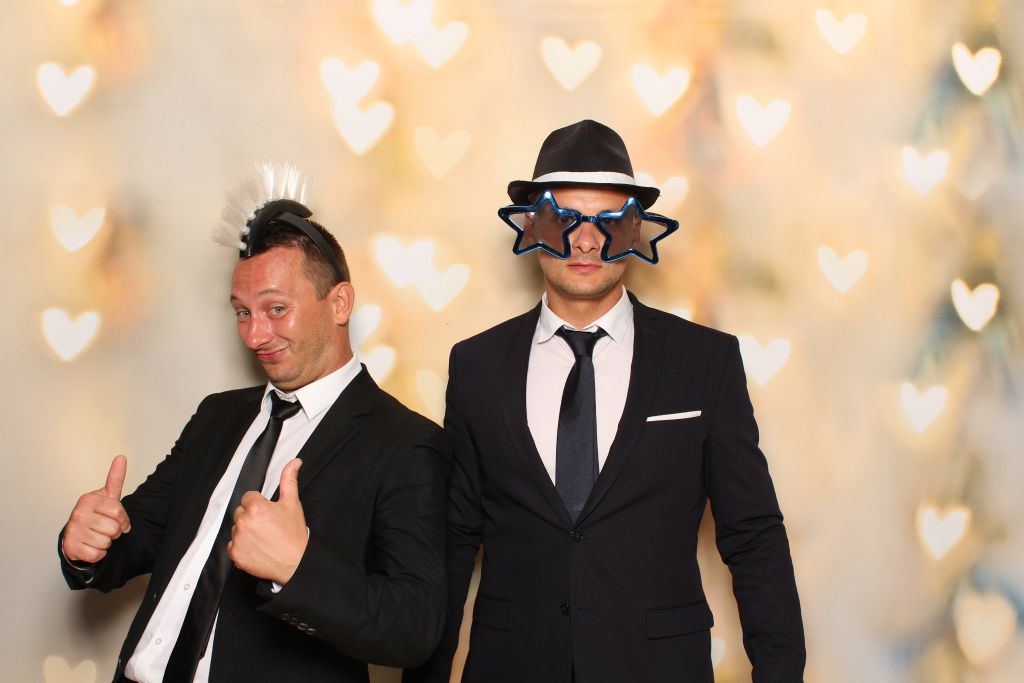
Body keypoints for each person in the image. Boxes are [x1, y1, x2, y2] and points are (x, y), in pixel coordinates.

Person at [405, 121, 805, 682]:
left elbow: (752, 533)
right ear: (532, 226)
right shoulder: (477, 366)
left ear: (635, 231)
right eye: (563, 219)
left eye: (608, 222)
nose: (586, 241)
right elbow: (453, 540)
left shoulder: (704, 361)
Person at [59, 164, 451, 682]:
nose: (254, 335)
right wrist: (91, 543)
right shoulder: (217, 415)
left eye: (276, 309)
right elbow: (143, 535)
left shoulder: (407, 444)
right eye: (242, 313)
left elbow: (414, 628)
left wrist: (298, 566)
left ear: (339, 302)